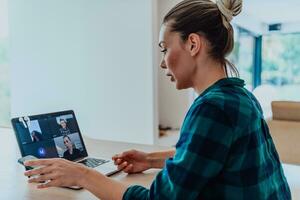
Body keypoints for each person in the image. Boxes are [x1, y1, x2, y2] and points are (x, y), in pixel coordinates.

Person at [24, 0, 291, 199]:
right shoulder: (240, 95)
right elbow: (209, 153)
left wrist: (82, 174)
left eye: (165, 49)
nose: (163, 63)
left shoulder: (213, 108)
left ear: (193, 44)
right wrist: (151, 160)